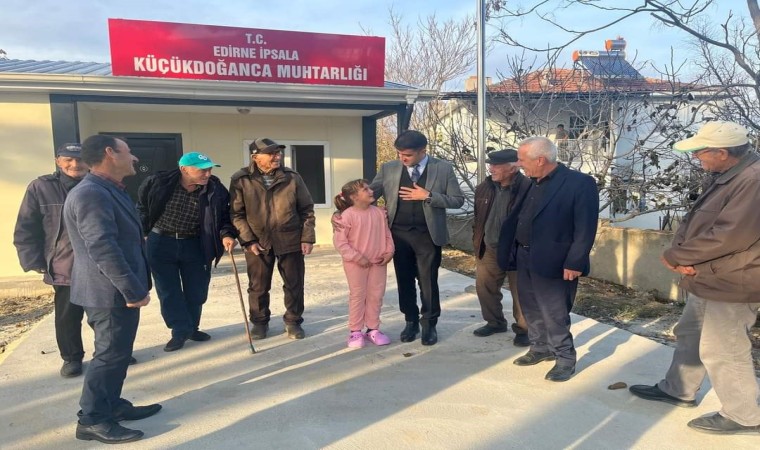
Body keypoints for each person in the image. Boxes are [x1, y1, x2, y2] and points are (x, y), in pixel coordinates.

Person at [628, 121, 760, 435]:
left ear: (722, 152)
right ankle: (678, 389)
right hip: (710, 274)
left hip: (734, 281)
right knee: (690, 333)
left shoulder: (752, 180)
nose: (696, 156)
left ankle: (744, 415)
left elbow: (729, 235)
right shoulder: (730, 174)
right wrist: (687, 258)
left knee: (724, 347)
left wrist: (679, 256)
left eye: (701, 151)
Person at [64, 135, 160, 444]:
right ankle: (92, 419)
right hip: (108, 291)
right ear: (110, 153)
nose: (134, 158)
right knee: (108, 355)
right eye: (128, 152)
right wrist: (132, 289)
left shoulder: (108, 189)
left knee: (118, 353)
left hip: (113, 289)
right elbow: (102, 247)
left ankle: (111, 405)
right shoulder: (92, 193)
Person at [498, 136, 598, 382]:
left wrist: (575, 262)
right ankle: (540, 347)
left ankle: (564, 358)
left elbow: (585, 227)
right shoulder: (531, 182)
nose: (519, 164)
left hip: (557, 261)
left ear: (540, 160)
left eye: (522, 160)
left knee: (554, 312)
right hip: (525, 255)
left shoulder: (579, 183)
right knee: (530, 306)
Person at [367, 130, 464, 346]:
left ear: (422, 151)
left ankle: (429, 323)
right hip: (398, 234)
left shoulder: (443, 168)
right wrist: (344, 208)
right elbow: (370, 194)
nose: (402, 158)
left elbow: (457, 200)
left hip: (427, 235)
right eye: (399, 153)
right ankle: (410, 320)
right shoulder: (389, 168)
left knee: (428, 281)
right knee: (404, 280)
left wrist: (428, 196)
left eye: (407, 155)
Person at [137, 152, 237, 352]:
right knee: (168, 290)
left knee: (197, 289)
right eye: (202, 170)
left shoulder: (215, 188)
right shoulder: (158, 182)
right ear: (184, 169)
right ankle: (179, 330)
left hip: (196, 243)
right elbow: (142, 208)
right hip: (161, 242)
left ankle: (192, 327)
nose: (207, 174)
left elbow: (226, 215)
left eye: (209, 169)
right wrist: (144, 233)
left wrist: (227, 234)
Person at [14, 143, 88, 378]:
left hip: (99, 264)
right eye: (68, 159)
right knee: (67, 316)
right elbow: (26, 226)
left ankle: (111, 352)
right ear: (58, 161)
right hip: (63, 264)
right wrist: (33, 259)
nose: (75, 164)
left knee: (105, 314)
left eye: (80, 159)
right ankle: (71, 358)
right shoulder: (41, 187)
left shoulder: (101, 183)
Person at [229, 138, 315, 340]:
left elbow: (306, 209)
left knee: (294, 284)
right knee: (258, 286)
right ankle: (259, 323)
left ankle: (293, 321)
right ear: (255, 157)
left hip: (290, 239)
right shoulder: (241, 179)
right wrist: (248, 240)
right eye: (271, 153)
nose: (277, 156)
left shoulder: (292, 177)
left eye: (278, 152)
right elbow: (236, 214)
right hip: (258, 242)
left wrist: (307, 237)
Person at [471, 149, 532, 346]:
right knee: (485, 288)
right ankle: (495, 322)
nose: (491, 169)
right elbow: (478, 217)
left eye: (496, 165)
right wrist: (478, 239)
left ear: (513, 168)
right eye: (491, 164)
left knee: (521, 292)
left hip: (517, 249)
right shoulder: (484, 188)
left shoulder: (528, 188)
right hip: (489, 247)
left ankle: (524, 329)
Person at [333, 179, 395, 348]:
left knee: (376, 295)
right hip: (355, 264)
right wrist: (358, 258)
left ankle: (373, 329)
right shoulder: (346, 216)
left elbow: (387, 235)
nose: (371, 191)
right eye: (365, 189)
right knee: (358, 295)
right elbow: (340, 243)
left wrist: (389, 252)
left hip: (378, 262)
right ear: (354, 197)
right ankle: (355, 331)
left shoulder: (379, 213)